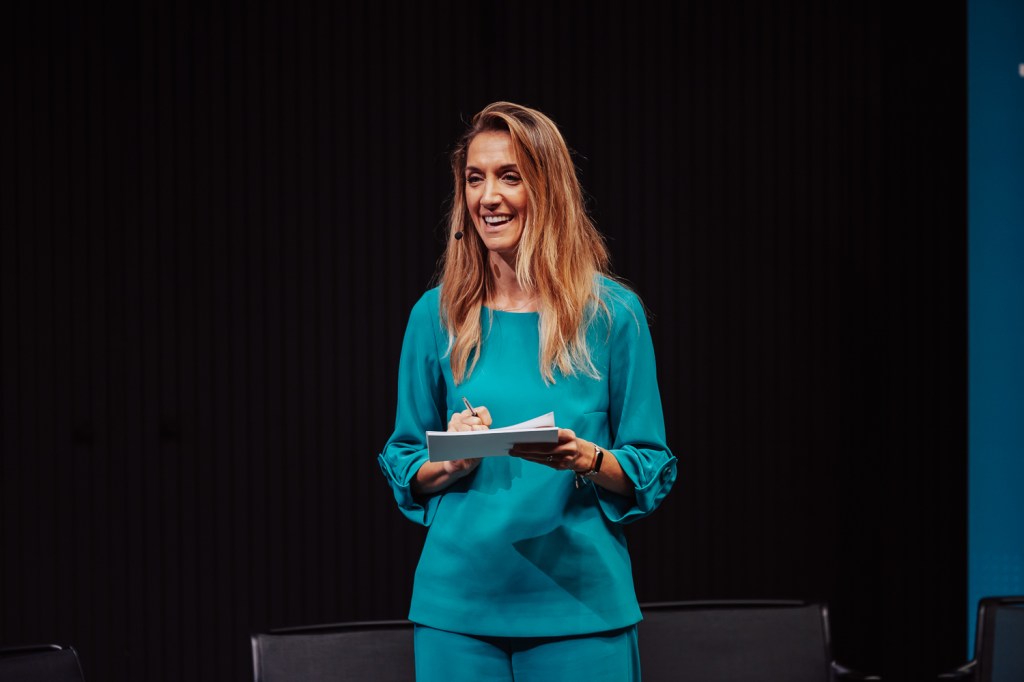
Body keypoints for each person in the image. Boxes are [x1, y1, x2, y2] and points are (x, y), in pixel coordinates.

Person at [377, 101, 676, 681]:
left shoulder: (613, 314)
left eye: (509, 177)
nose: (488, 197)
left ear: (548, 189)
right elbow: (405, 459)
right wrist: (450, 459)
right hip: (457, 610)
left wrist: (587, 458)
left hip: (581, 607)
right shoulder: (436, 315)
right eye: (475, 178)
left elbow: (649, 465)